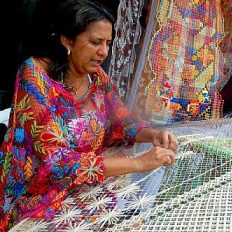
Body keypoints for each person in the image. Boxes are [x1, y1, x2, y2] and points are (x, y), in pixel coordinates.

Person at [0, 0, 178, 230]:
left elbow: (119, 122)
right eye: (95, 42)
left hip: (83, 186)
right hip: (36, 195)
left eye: (108, 43)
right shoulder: (35, 75)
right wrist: (137, 162)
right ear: (67, 40)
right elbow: (56, 162)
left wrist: (152, 134)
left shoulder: (96, 77)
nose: (104, 52)